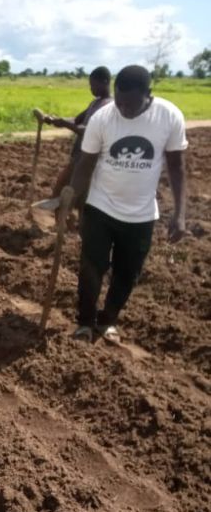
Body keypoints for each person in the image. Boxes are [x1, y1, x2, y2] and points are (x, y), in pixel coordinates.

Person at [70, 64, 187, 343]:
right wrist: (74, 204)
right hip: (100, 207)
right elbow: (85, 164)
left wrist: (180, 213)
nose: (123, 110)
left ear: (148, 94)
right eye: (119, 102)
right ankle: (85, 322)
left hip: (142, 215)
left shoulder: (169, 116)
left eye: (131, 105)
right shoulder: (104, 117)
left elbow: (176, 167)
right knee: (91, 267)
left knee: (127, 274)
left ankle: (107, 321)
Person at [42, 66, 112, 199]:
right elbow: (77, 119)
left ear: (104, 82)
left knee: (80, 197)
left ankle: (74, 218)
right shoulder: (95, 103)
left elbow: (89, 131)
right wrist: (55, 120)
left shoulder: (109, 107)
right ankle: (62, 218)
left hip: (91, 161)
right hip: (79, 157)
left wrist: (64, 123)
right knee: (60, 189)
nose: (91, 89)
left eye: (93, 85)